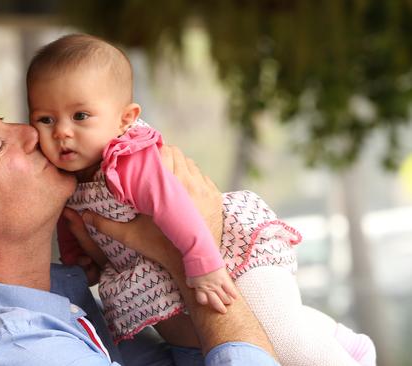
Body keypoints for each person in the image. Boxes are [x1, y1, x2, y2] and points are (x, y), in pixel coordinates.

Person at [0, 71, 279, 365]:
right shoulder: (16, 351)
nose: (33, 132)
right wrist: (192, 255)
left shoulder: (64, 303)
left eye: (3, 119)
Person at [26, 34, 376, 366]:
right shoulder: (65, 179)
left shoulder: (126, 160)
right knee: (243, 332)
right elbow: (69, 225)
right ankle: (336, 335)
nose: (62, 132)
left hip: (223, 249)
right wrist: (78, 260)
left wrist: (203, 265)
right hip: (169, 266)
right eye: (45, 119)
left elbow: (173, 206)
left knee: (285, 342)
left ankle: (343, 353)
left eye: (80, 116)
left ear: (125, 119)